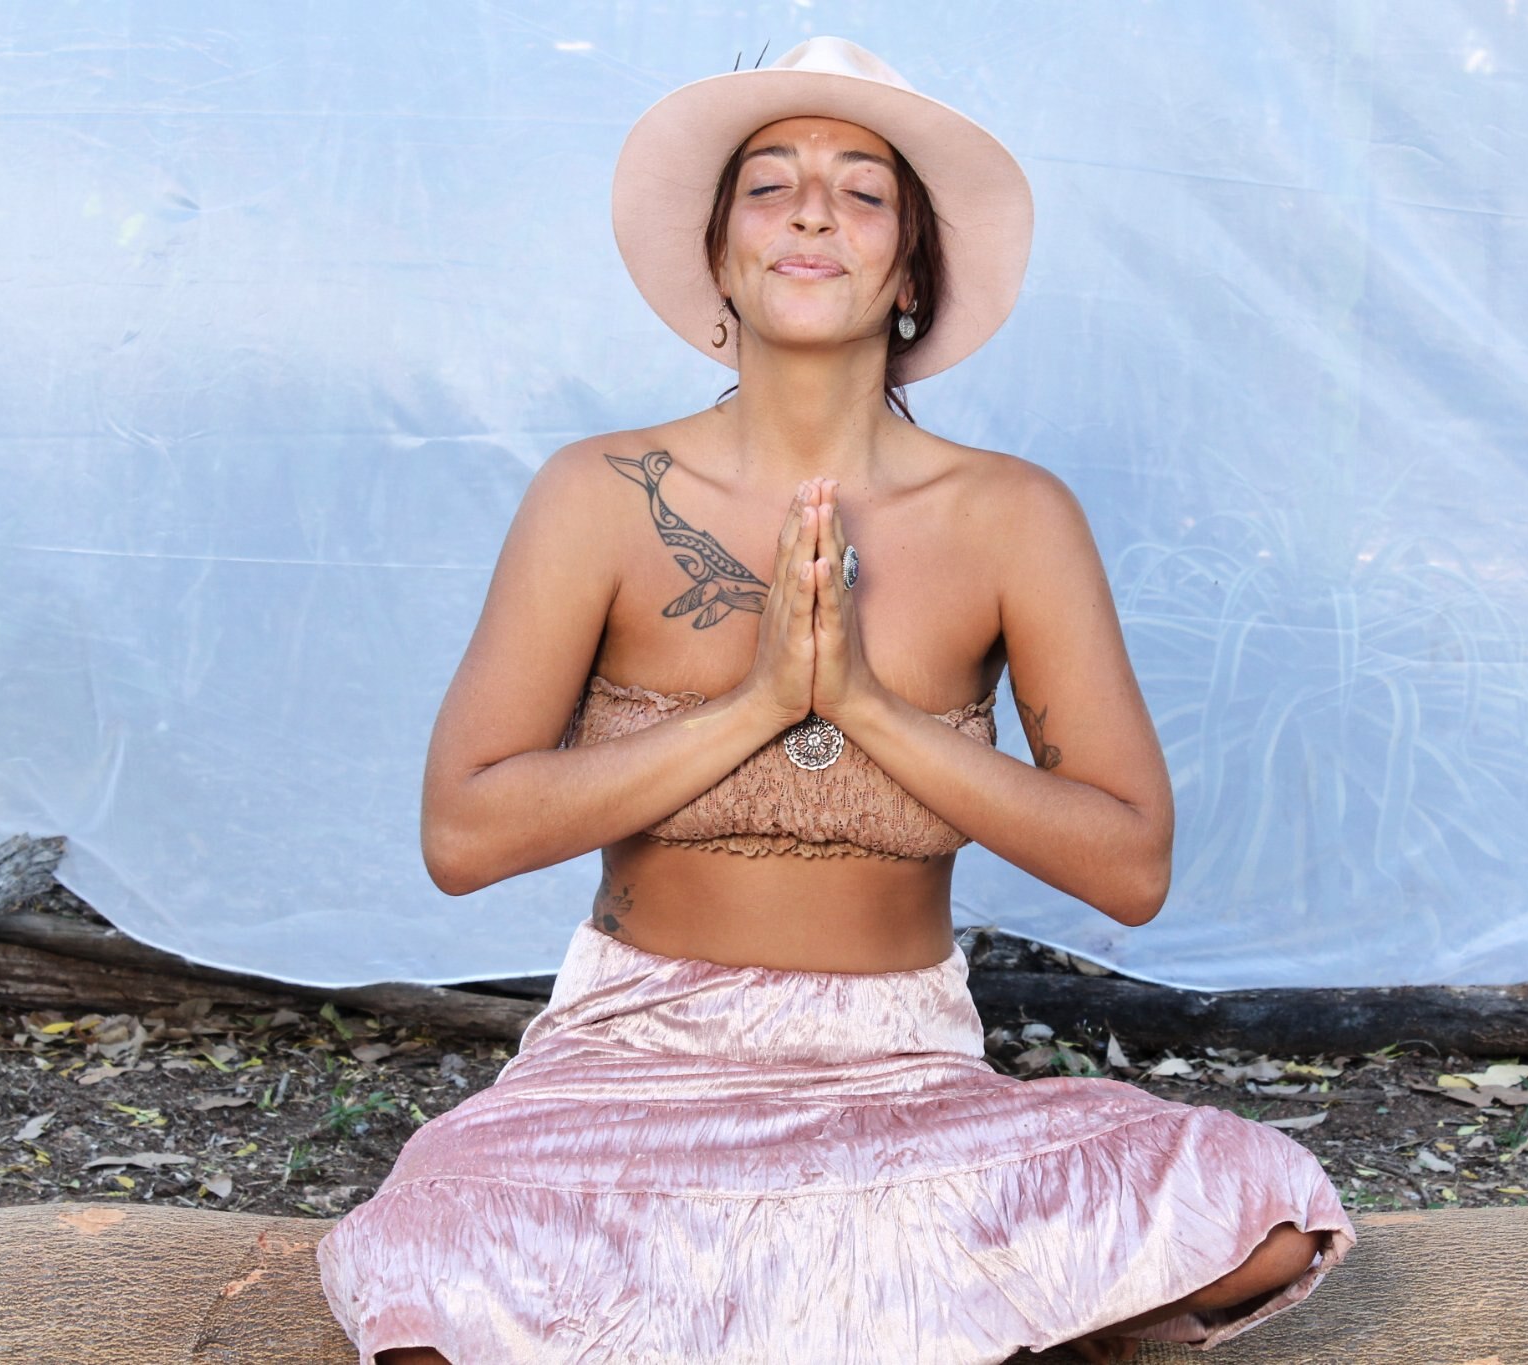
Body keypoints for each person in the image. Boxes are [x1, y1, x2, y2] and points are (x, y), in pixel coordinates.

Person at [317, 36, 1355, 1364]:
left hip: (901, 1073)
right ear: (719, 256)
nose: (814, 210)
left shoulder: (1009, 517)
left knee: (1256, 1208)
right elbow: (463, 835)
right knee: (436, 1248)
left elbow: (1131, 861)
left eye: (864, 191)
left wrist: (862, 703)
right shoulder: (599, 495)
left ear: (912, 269)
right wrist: (754, 705)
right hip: (632, 1065)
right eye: (771, 184)